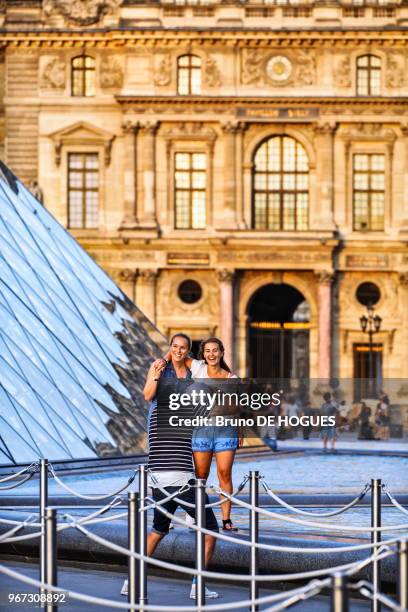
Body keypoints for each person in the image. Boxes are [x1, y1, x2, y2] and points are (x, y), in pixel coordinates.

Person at [121, 338, 219, 600]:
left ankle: (131, 580)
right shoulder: (163, 383)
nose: (178, 351)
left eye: (183, 348)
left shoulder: (184, 384)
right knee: (210, 531)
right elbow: (148, 394)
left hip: (159, 477)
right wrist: (161, 365)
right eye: (174, 346)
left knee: (158, 530)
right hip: (180, 477)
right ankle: (198, 585)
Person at [163, 337, 241, 531]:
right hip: (201, 429)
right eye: (208, 351)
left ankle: (226, 519)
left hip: (226, 429)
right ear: (203, 354)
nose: (212, 354)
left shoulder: (232, 378)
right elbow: (177, 353)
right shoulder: (197, 368)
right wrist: (163, 361)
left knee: (224, 474)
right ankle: (196, 515)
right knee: (200, 476)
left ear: (222, 353)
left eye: (215, 350)